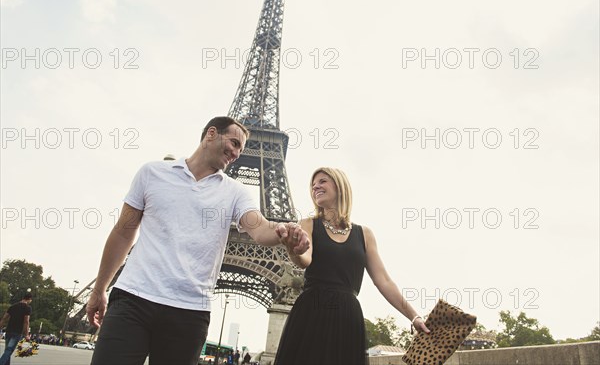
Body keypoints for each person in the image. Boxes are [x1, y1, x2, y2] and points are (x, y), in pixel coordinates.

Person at [86, 116, 310, 365]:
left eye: (241, 148)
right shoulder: (152, 173)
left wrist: (283, 230)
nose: (236, 153)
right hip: (132, 300)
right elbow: (123, 233)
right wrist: (99, 289)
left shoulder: (235, 192)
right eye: (234, 142)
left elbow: (259, 229)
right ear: (211, 134)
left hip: (189, 311)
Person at [274, 167, 430, 365]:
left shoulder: (364, 234)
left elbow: (384, 281)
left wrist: (414, 316)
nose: (316, 187)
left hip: (347, 317)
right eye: (313, 185)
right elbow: (305, 259)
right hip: (312, 313)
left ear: (340, 186)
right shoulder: (307, 224)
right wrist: (293, 250)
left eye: (322, 181)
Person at [0, 292, 32, 365]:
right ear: (29, 299)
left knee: (7, 351)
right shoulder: (27, 308)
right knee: (9, 350)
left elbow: (4, 318)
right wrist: (26, 334)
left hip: (9, 330)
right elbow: (26, 321)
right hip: (17, 332)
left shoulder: (13, 306)